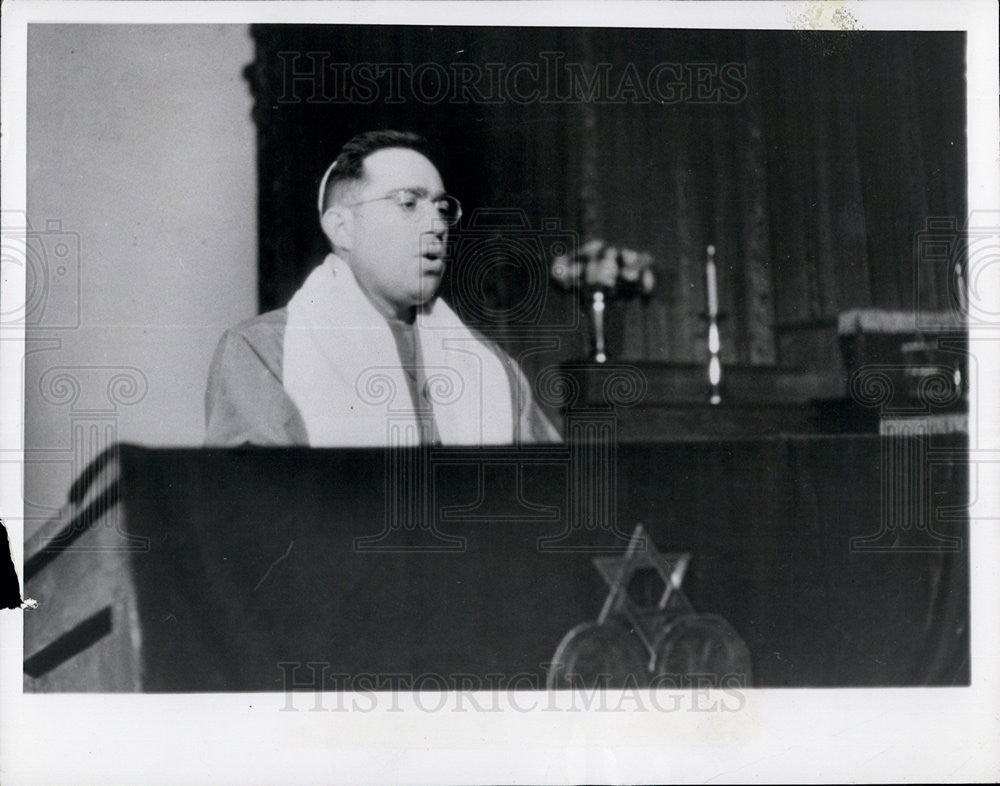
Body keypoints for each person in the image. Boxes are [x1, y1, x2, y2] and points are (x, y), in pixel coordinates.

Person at [205, 130, 560, 447]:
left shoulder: (490, 366)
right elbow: (254, 502)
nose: (437, 224)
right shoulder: (263, 351)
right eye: (408, 203)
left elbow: (550, 491)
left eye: (442, 206)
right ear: (342, 228)